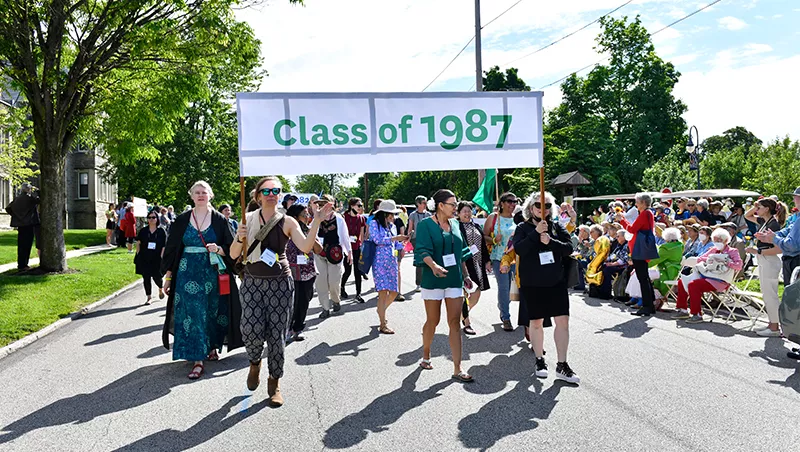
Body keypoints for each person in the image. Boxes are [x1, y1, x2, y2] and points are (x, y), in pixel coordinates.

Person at [229, 176, 332, 406]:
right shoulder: (246, 220)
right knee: (250, 329)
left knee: (277, 336)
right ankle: (255, 362)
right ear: (257, 196)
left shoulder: (287, 222)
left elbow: (305, 247)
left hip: (280, 283)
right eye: (266, 191)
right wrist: (239, 237)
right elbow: (234, 254)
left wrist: (315, 221)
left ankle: (274, 381)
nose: (272, 194)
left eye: (276, 190)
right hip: (252, 282)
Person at [161, 181, 244, 381]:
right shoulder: (181, 220)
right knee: (193, 313)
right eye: (197, 192)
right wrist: (169, 277)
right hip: (186, 273)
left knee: (213, 311)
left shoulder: (219, 220)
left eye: (204, 192)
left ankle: (212, 347)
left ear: (210, 195)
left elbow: (231, 246)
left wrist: (220, 249)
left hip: (213, 273)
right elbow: (172, 250)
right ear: (191, 196)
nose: (200, 195)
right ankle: (197, 359)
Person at [513, 191, 579, 384]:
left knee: (563, 322)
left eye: (547, 206)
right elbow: (520, 249)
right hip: (532, 283)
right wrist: (535, 234)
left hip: (556, 282)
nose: (543, 209)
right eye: (539, 205)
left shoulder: (557, 227)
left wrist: (551, 241)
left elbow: (568, 248)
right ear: (531, 208)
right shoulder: (522, 228)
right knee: (536, 323)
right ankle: (539, 360)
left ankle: (562, 364)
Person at [415, 189, 474, 383]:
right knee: (433, 321)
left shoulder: (456, 224)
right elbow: (422, 250)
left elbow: (462, 252)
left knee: (455, 322)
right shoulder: (425, 225)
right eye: (452, 204)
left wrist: (465, 276)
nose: (456, 208)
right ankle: (426, 355)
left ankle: (457, 368)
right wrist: (433, 266)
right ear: (441, 205)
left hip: (454, 279)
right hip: (433, 280)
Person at [672, 228, 743, 323]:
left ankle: (697, 314)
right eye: (715, 240)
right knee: (682, 281)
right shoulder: (713, 249)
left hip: (720, 281)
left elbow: (738, 266)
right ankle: (683, 310)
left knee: (694, 285)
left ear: (726, 240)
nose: (717, 242)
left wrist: (726, 261)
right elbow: (701, 258)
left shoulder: (732, 251)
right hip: (707, 276)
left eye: (719, 240)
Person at [745, 198, 783, 337]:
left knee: (770, 295)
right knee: (767, 294)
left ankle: (775, 327)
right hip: (764, 259)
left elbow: (779, 249)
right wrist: (755, 205)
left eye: (759, 207)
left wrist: (758, 251)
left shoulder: (773, 225)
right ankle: (771, 323)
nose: (757, 210)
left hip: (770, 260)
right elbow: (747, 216)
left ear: (766, 209)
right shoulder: (764, 221)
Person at [368, 200, 407, 334]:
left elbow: (395, 244)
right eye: (391, 214)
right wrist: (395, 238)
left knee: (394, 292)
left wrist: (401, 245)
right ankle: (382, 323)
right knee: (383, 292)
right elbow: (377, 240)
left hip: (392, 262)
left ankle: (381, 311)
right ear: (384, 214)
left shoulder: (393, 226)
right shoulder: (374, 224)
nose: (393, 217)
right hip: (379, 262)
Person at [312, 194, 353, 319]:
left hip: (335, 253)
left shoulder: (339, 219)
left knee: (334, 281)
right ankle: (325, 308)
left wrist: (349, 252)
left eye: (326, 203)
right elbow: (311, 233)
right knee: (321, 282)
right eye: (321, 204)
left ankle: (336, 300)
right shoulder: (317, 219)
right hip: (320, 254)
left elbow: (345, 236)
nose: (323, 206)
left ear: (332, 205)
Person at [617, 192, 657, 316]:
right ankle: (649, 305)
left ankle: (646, 306)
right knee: (644, 278)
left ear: (644, 203)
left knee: (642, 278)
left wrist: (622, 221)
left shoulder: (645, 213)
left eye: (638, 202)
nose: (636, 205)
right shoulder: (647, 213)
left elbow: (632, 229)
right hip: (642, 247)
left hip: (640, 248)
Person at [286, 204, 321, 342]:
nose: (308, 217)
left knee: (304, 301)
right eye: (304, 215)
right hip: (290, 273)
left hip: (308, 272)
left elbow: (318, 250)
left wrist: (312, 235)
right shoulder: (286, 230)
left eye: (308, 214)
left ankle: (298, 328)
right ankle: (287, 329)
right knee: (291, 302)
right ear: (295, 217)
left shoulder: (308, 230)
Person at [484, 192, 518, 331]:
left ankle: (503, 305)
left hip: (516, 259)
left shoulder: (518, 218)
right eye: (509, 201)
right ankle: (506, 317)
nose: (512, 204)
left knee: (513, 289)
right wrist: (493, 240)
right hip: (499, 258)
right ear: (502, 203)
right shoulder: (494, 218)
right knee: (504, 288)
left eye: (515, 201)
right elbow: (483, 236)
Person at [457, 201, 491, 335]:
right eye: (464, 211)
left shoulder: (476, 225)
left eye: (469, 210)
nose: (467, 213)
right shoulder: (456, 227)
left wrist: (487, 261)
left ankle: (461, 314)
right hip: (464, 264)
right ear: (458, 213)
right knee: (466, 293)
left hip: (478, 263)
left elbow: (482, 245)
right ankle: (467, 322)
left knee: (477, 293)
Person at [135, 209, 167, 305]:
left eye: (153, 217)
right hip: (145, 257)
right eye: (149, 217)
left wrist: (161, 256)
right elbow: (138, 242)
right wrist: (138, 253)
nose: (151, 219)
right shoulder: (143, 231)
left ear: (157, 219)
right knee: (146, 277)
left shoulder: (161, 231)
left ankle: (160, 289)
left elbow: (164, 245)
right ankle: (149, 297)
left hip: (156, 258)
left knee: (157, 277)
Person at [648, 227, 684, 307]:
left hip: (665, 271)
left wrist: (643, 265)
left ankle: (646, 299)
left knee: (642, 275)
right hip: (674, 271)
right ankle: (655, 299)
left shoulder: (666, 247)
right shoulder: (680, 245)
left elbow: (656, 260)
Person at [341, 197, 366, 303]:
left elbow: (362, 234)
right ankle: (341, 287)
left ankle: (358, 293)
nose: (361, 208)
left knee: (358, 271)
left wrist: (362, 247)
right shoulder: (343, 217)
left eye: (361, 205)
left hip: (356, 247)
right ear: (352, 206)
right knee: (347, 270)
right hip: (346, 248)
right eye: (358, 205)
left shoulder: (361, 218)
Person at [407, 195, 432, 292]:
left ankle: (427, 281)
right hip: (416, 239)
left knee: (429, 259)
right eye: (424, 203)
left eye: (426, 203)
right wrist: (408, 238)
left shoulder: (429, 215)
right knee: (419, 261)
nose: (425, 205)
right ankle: (418, 283)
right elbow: (410, 228)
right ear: (418, 204)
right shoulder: (413, 215)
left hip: (427, 239)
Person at [394, 205, 408, 301]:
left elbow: (402, 236)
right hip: (383, 250)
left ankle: (398, 292)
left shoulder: (398, 221)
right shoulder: (379, 222)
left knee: (397, 269)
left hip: (397, 248)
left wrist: (403, 248)